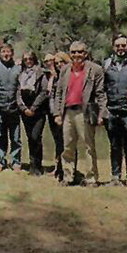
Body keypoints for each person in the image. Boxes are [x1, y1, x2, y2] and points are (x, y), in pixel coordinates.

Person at [51, 41, 107, 186]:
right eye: (74, 52)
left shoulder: (96, 70)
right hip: (68, 112)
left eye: (80, 52)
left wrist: (101, 114)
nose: (77, 55)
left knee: (89, 146)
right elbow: (59, 93)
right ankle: (68, 176)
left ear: (86, 54)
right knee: (68, 146)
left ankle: (91, 178)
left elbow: (101, 94)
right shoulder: (64, 70)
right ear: (70, 54)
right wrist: (57, 113)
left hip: (85, 112)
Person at [103, 33, 127, 186]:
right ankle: (115, 176)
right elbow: (102, 87)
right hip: (112, 110)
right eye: (118, 45)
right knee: (114, 145)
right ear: (113, 47)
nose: (120, 48)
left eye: (123, 45)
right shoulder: (107, 63)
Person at [0, 43, 22, 173]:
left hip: (14, 109)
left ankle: (16, 162)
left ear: (12, 53)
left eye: (8, 52)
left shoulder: (18, 69)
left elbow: (20, 88)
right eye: (3, 52)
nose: (6, 54)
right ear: (0, 54)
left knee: (15, 138)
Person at [17, 51, 49, 176]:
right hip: (24, 110)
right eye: (26, 59)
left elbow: (44, 92)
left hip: (38, 110)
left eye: (30, 59)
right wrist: (23, 108)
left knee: (36, 137)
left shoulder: (40, 73)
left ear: (34, 59)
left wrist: (34, 107)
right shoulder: (20, 74)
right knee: (30, 137)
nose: (28, 61)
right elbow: (18, 92)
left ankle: (38, 164)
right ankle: (32, 165)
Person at [45, 51, 71, 179]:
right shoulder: (55, 77)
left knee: (68, 143)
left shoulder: (71, 75)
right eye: (57, 63)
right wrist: (54, 112)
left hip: (68, 113)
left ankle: (68, 170)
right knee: (58, 142)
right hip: (55, 114)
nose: (59, 65)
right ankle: (58, 168)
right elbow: (52, 96)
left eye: (62, 62)